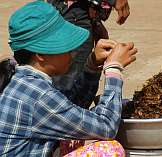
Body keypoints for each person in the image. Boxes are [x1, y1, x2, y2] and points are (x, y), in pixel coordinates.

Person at [0, 1, 137, 156]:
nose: (73, 52)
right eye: (65, 46)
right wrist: (114, 68)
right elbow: (106, 127)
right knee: (110, 150)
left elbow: (71, 108)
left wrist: (91, 66)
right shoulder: (39, 96)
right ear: (41, 55)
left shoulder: (21, 78)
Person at [47, 0, 130, 95]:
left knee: (77, 79)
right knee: (67, 86)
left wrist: (95, 20)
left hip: (79, 12)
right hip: (73, 14)